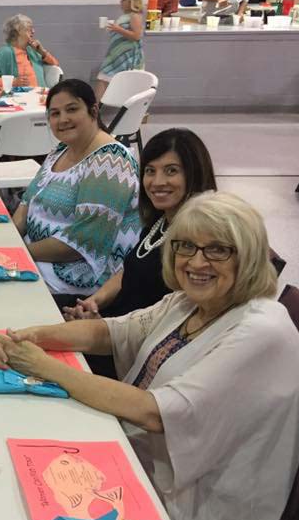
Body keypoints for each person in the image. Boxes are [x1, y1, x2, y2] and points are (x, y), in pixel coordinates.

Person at [0, 191, 299, 520]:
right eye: (185, 246)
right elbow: (113, 331)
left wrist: (44, 366)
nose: (196, 262)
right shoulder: (191, 303)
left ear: (247, 257)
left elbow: (155, 412)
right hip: (137, 465)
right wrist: (36, 336)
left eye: (217, 250)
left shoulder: (262, 332)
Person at [63, 129, 217, 376]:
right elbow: (130, 270)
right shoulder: (160, 222)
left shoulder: (197, 242)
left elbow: (178, 320)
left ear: (194, 174)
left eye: (171, 171)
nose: (157, 182)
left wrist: (102, 329)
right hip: (113, 326)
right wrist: (94, 301)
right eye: (150, 171)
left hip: (136, 353)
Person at [13, 79, 140, 304]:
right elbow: (26, 203)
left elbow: (83, 243)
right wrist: (7, 243)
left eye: (72, 109)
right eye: (55, 113)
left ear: (93, 111)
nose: (63, 119)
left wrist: (17, 252)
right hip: (36, 257)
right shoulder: (61, 150)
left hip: (76, 277)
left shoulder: (110, 161)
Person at [94, 0, 145, 101]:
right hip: (117, 54)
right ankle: (97, 107)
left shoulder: (134, 16)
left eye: (124, 0)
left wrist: (118, 29)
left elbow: (136, 36)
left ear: (132, 1)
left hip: (127, 57)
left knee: (104, 77)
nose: (121, 3)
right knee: (103, 77)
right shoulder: (125, 16)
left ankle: (96, 108)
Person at [0, 14, 59, 88]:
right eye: (29, 28)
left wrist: (42, 52)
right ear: (17, 31)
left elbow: (55, 64)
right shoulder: (5, 52)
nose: (33, 31)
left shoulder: (33, 51)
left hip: (41, 94)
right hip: (19, 96)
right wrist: (12, 82)